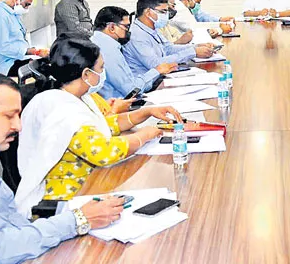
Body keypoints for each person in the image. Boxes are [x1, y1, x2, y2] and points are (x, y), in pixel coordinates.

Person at [15, 38, 183, 217]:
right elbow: (103, 152)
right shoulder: (62, 110)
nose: (103, 73)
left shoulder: (76, 96)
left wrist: (145, 113)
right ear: (86, 74)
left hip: (90, 184)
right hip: (67, 200)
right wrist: (144, 135)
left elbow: (102, 126)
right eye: (101, 68)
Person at [0, 69, 127, 263]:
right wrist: (77, 221)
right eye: (9, 116)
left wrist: (75, 218)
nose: (19, 126)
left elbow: (11, 221)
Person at [91, 6, 177, 99]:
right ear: (112, 27)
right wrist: (157, 71)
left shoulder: (96, 41)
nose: (129, 31)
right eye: (126, 26)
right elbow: (131, 90)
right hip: (118, 105)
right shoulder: (107, 49)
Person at [123, 0, 214, 76]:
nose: (166, 15)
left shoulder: (152, 28)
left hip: (161, 76)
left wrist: (195, 47)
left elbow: (168, 48)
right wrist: (192, 53)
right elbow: (156, 64)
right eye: (162, 12)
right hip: (149, 85)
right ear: (148, 12)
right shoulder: (137, 36)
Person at [0, 0, 49, 76]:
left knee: (51, 61)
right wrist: (31, 51)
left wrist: (33, 51)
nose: (27, 9)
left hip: (20, 58)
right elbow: (3, 47)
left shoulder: (13, 15)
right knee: (45, 69)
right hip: (7, 64)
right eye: (26, 5)